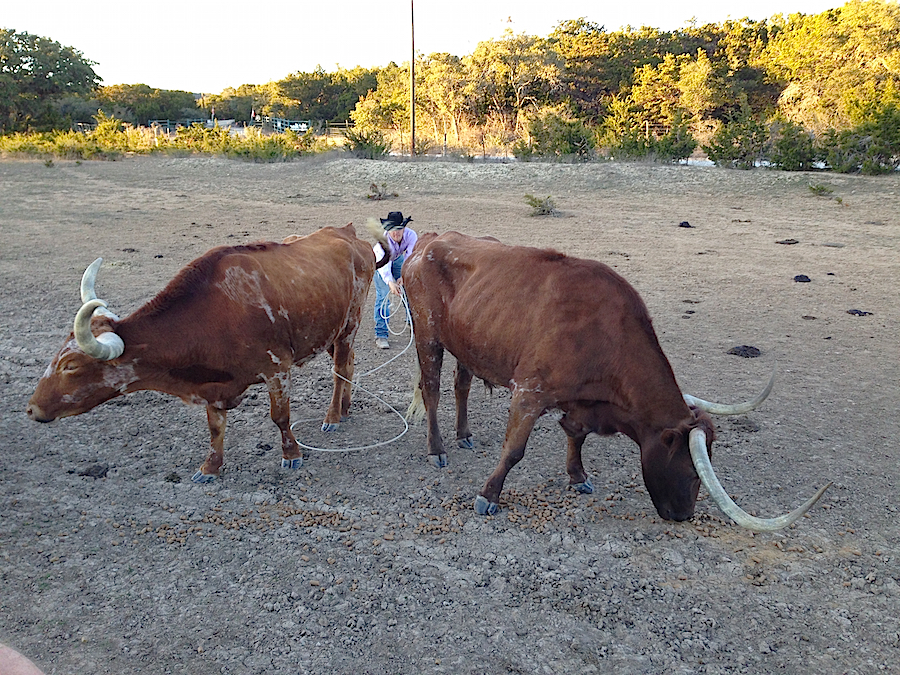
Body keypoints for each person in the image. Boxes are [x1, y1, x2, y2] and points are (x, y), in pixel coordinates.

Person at [373, 211, 417, 349]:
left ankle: (412, 321)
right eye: (393, 230)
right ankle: (381, 334)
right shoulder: (382, 244)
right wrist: (390, 282)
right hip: (380, 264)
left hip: (398, 259)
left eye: (399, 229)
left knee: (409, 289)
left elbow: (410, 256)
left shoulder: (411, 235)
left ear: (404, 228)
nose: (396, 233)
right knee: (383, 296)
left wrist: (404, 276)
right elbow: (384, 266)